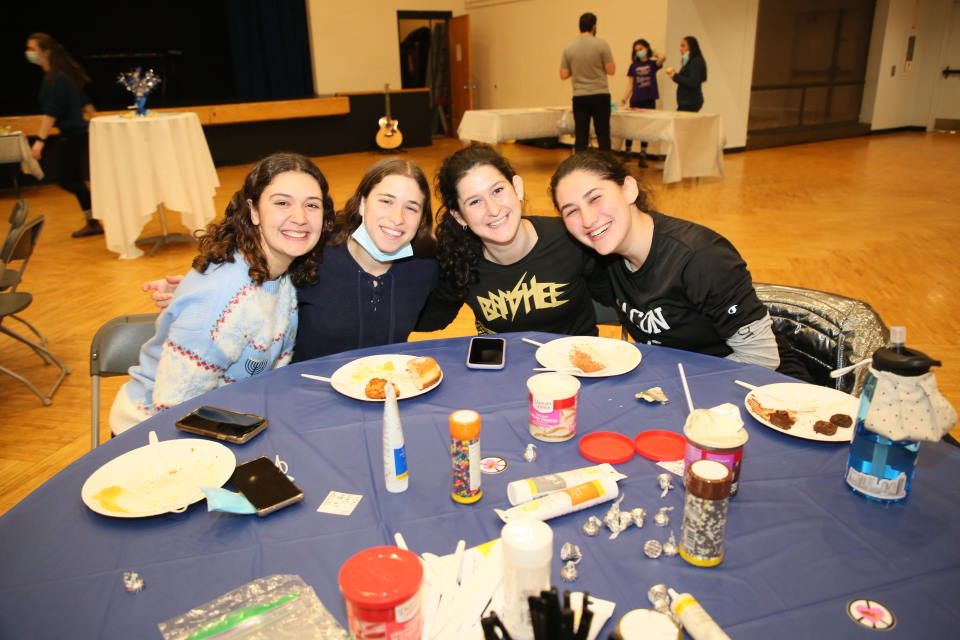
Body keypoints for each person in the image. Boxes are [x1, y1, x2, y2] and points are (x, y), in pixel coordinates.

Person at [110, 153, 334, 434]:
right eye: (282, 203)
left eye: (311, 205)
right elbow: (176, 409)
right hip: (151, 433)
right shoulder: (224, 297)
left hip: (230, 414)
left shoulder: (279, 271)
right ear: (253, 211)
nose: (300, 217)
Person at [145, 158, 439, 361]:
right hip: (304, 402)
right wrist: (197, 289)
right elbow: (258, 280)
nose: (397, 218)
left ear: (421, 219)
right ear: (362, 203)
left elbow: (437, 315)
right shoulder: (312, 254)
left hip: (383, 396)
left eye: (411, 208)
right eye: (385, 201)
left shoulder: (425, 269)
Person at [550, 149, 811, 378]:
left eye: (595, 198)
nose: (587, 219)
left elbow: (763, 359)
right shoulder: (605, 257)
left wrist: (673, 387)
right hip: (682, 380)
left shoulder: (700, 257)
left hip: (763, 389)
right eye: (571, 210)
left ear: (629, 189)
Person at [415, 143, 606, 336]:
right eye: (475, 202)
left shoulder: (569, 238)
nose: (494, 209)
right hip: (504, 364)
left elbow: (615, 294)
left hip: (576, 362)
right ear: (459, 216)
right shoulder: (460, 259)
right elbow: (428, 320)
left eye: (497, 191)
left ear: (517, 187)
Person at [25, 33, 101, 237]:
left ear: (46, 52)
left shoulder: (57, 79)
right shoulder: (59, 76)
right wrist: (94, 119)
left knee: (67, 179)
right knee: (73, 178)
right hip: (74, 133)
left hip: (72, 134)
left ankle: (96, 215)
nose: (29, 53)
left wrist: (39, 142)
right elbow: (85, 102)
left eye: (32, 49)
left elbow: (51, 112)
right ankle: (93, 219)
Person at [559, 12, 616, 151]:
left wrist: (578, 68)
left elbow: (563, 74)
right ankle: (606, 168)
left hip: (580, 96)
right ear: (594, 26)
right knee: (602, 133)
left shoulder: (569, 48)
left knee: (581, 134)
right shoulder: (602, 44)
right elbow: (611, 70)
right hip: (600, 94)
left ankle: (580, 168)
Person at [620, 38, 665, 166]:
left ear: (646, 48)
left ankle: (643, 156)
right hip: (636, 100)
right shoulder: (633, 66)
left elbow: (663, 57)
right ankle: (627, 153)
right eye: (636, 50)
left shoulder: (652, 64)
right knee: (631, 127)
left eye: (641, 49)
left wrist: (653, 52)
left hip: (649, 100)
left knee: (645, 128)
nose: (639, 52)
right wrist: (623, 99)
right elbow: (630, 86)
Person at [666, 35, 707, 112]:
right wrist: (674, 76)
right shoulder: (689, 62)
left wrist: (675, 76)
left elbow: (693, 82)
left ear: (691, 47)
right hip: (686, 102)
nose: (681, 49)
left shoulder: (696, 61)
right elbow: (684, 80)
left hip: (691, 101)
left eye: (683, 46)